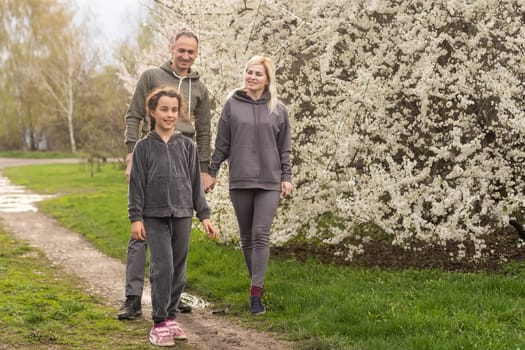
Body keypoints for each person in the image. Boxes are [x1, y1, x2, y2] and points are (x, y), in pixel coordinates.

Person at [120, 31, 214, 319]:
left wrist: (204, 168)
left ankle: (170, 296)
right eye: (181, 50)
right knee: (143, 229)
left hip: (184, 158)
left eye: (191, 52)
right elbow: (133, 114)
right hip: (152, 154)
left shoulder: (200, 89)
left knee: (176, 235)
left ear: (196, 54)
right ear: (172, 49)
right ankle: (133, 298)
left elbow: (204, 130)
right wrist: (130, 153)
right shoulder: (151, 76)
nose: (185, 56)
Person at [128, 86, 218, 346]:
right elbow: (136, 186)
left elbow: (194, 185)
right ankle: (158, 323)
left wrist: (205, 216)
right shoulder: (143, 147)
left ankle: (170, 318)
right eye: (164, 109)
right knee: (162, 268)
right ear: (153, 112)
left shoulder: (187, 146)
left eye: (174, 110)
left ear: (180, 113)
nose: (169, 114)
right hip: (153, 217)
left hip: (182, 215)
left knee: (178, 270)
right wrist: (136, 218)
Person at [207, 55, 292, 315]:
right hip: (240, 179)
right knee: (246, 237)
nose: (252, 77)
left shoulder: (278, 109)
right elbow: (222, 143)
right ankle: (256, 281)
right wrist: (211, 172)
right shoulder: (232, 104)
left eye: (258, 74)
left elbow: (284, 148)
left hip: (269, 181)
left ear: (267, 79)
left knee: (260, 233)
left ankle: (256, 292)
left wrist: (286, 177)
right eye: (249, 72)